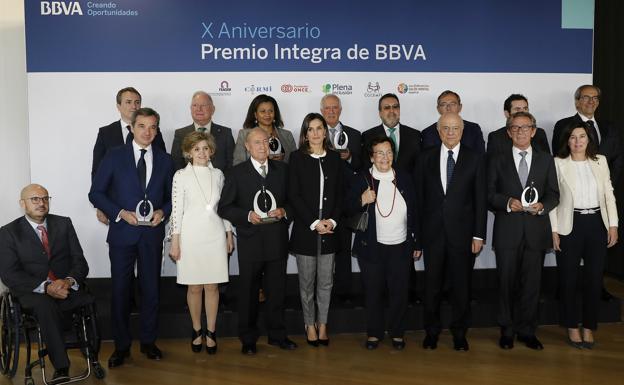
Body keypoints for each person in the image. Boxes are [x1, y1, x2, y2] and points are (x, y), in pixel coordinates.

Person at [89, 107, 174, 367]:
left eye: (153, 127)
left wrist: (164, 211)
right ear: (132, 128)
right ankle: (121, 347)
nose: (147, 132)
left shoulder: (166, 160)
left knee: (151, 291)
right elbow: (96, 193)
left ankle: (148, 342)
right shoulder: (115, 156)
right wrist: (119, 213)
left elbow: (174, 198)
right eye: (142, 126)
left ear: (157, 130)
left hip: (152, 235)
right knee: (120, 292)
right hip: (122, 235)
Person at [0, 184, 91, 382]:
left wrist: (67, 281)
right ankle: (61, 366)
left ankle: (90, 355)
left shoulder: (64, 224)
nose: (41, 203)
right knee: (46, 306)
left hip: (64, 286)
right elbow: (9, 274)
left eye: (45, 198)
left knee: (86, 300)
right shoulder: (8, 232)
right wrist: (46, 287)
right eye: (35, 199)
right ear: (22, 204)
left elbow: (79, 262)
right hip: (32, 292)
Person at [218, 128, 297, 355]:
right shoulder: (236, 173)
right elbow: (225, 207)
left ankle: (277, 335)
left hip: (277, 240)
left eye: (266, 141)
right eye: (257, 142)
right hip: (250, 241)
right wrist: (246, 216)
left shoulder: (283, 170)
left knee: (277, 291)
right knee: (248, 292)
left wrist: (284, 210)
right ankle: (248, 338)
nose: (262, 146)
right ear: (247, 146)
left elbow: (293, 202)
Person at [415, 113, 487, 351]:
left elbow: (480, 200)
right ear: (438, 131)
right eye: (445, 128)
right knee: (432, 286)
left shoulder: (475, 158)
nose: (450, 133)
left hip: (464, 236)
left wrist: (479, 235)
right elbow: (418, 200)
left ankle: (459, 333)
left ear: (462, 130)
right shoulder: (425, 158)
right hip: (433, 234)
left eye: (455, 128)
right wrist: (417, 236)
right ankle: (431, 332)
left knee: (461, 287)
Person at [487, 111, 559, 351]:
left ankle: (527, 331)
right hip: (507, 232)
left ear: (534, 131)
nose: (520, 131)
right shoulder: (497, 159)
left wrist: (543, 206)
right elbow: (489, 195)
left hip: (536, 232)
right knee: (506, 284)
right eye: (515, 128)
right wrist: (507, 202)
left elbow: (553, 194)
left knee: (532, 286)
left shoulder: (546, 159)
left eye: (525, 127)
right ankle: (506, 331)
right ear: (508, 132)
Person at [346, 136, 418, 350]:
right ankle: (374, 333)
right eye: (379, 153)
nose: (385, 157)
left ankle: (397, 333)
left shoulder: (404, 178)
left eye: (388, 152)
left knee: (399, 292)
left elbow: (416, 212)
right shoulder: (361, 178)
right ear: (371, 157)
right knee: (373, 292)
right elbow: (346, 209)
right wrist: (362, 200)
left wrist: (417, 242)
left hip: (401, 246)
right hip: (372, 248)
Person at [550, 123, 618, 349]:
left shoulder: (600, 162)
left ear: (589, 139)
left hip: (597, 224)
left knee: (594, 279)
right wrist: (554, 230)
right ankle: (571, 326)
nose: (577, 141)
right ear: (566, 141)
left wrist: (613, 225)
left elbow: (609, 194)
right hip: (570, 225)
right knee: (568, 280)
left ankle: (589, 327)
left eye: (582, 136)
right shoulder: (558, 164)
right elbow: (552, 200)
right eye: (572, 137)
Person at [552, 85, 622, 301]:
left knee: (596, 261)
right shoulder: (564, 125)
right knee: (569, 268)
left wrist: (606, 186)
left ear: (599, 102)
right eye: (585, 97)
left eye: (595, 98)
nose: (591, 101)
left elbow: (617, 159)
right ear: (576, 101)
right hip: (571, 207)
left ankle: (598, 289)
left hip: (600, 199)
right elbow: (559, 158)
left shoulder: (609, 127)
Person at [168, 131, 234, 354]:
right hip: (190, 236)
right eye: (196, 149)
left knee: (212, 286)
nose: (202, 153)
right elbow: (176, 211)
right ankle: (197, 330)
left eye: (205, 148)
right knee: (194, 287)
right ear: (188, 152)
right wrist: (174, 241)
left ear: (211, 150)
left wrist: (229, 234)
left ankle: (211, 332)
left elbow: (224, 209)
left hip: (214, 235)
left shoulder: (219, 175)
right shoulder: (180, 175)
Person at [288, 113, 343, 346]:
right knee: (307, 283)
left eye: (320, 128)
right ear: (305, 133)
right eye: (311, 129)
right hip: (306, 228)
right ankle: (309, 324)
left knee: (326, 282)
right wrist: (314, 222)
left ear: (325, 132)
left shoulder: (335, 158)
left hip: (329, 228)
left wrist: (332, 221)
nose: (316, 133)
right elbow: (293, 194)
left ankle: (323, 324)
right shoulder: (296, 158)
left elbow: (341, 195)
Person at [91, 87, 167, 225]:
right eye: (128, 102)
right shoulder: (106, 133)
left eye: (137, 102)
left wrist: (161, 210)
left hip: (149, 216)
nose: (134, 106)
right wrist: (102, 206)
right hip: (118, 209)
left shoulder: (155, 132)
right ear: (118, 106)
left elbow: (161, 170)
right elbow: (97, 172)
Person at [320, 94, 361, 303]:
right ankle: (324, 293)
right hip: (321, 202)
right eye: (327, 108)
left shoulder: (354, 135)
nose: (331, 111)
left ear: (341, 110)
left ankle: (344, 293)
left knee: (344, 248)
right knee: (323, 251)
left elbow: (361, 167)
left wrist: (350, 157)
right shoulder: (316, 135)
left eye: (335, 108)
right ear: (322, 111)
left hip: (345, 203)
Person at [171, 91, 235, 172]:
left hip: (220, 182)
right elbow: (176, 163)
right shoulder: (180, 134)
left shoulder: (226, 133)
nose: (199, 109)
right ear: (190, 109)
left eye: (203, 105)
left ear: (213, 109)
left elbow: (232, 163)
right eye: (195, 105)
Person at [361, 93, 421, 172]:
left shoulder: (415, 135)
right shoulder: (368, 136)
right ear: (380, 113)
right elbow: (365, 166)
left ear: (399, 110)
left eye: (395, 107)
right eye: (387, 107)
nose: (392, 111)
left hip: (408, 183)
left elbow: (420, 167)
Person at [233, 94, 297, 165]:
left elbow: (296, 163)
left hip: (283, 175)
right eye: (263, 111)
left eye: (271, 111)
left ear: (275, 113)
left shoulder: (287, 135)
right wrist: (265, 160)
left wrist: (282, 161)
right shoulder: (244, 135)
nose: (267, 114)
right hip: (253, 175)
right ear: (255, 115)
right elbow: (237, 164)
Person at [421, 90, 485, 154]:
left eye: (453, 104)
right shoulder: (428, 132)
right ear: (438, 109)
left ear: (460, 107)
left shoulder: (474, 129)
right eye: (443, 104)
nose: (448, 108)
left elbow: (480, 157)